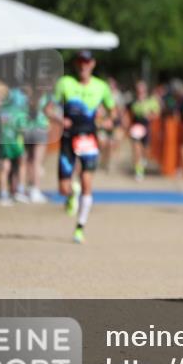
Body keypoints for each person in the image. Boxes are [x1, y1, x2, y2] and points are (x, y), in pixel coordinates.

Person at [48, 51, 116, 243]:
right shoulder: (65, 84)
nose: (83, 66)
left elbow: (113, 112)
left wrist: (107, 122)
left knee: (87, 182)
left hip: (89, 140)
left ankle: (80, 228)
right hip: (68, 139)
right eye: (80, 62)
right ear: (76, 64)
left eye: (86, 62)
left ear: (93, 64)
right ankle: (71, 194)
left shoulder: (101, 87)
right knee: (63, 188)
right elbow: (48, 108)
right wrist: (60, 119)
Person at [0, 87, 28, 205]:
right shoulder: (19, 112)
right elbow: (23, 128)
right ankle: (20, 190)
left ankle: (3, 194)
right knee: (22, 163)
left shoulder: (1, 111)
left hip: (4, 141)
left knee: (5, 167)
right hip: (16, 141)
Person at [21, 85, 52, 203]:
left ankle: (28, 188)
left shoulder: (26, 98)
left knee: (29, 160)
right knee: (37, 162)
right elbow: (48, 112)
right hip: (40, 129)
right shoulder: (45, 98)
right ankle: (35, 190)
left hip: (27, 130)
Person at [128, 80, 160, 181]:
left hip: (146, 127)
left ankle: (143, 160)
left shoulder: (151, 101)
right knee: (136, 149)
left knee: (145, 149)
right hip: (136, 127)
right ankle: (138, 171)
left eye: (142, 89)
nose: (140, 91)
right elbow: (129, 114)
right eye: (138, 89)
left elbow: (157, 113)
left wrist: (149, 116)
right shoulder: (133, 102)